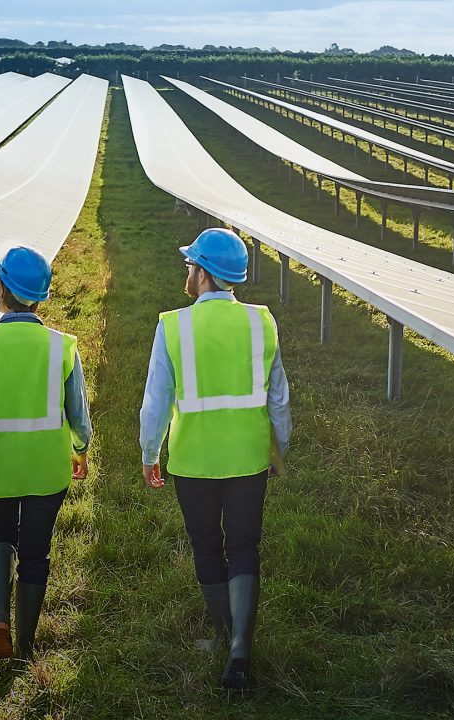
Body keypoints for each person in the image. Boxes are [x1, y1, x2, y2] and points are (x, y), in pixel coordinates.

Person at [139, 228, 291, 690]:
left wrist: (150, 453)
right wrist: (277, 449)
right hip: (249, 458)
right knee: (245, 546)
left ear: (202, 274)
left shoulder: (172, 326)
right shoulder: (261, 322)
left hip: (194, 461)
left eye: (190, 266)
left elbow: (156, 402)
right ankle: (240, 650)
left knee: (206, 545)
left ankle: (225, 635)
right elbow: (279, 399)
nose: (186, 272)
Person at [0, 245, 92, 661]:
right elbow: (78, 413)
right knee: (36, 550)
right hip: (47, 468)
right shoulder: (62, 346)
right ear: (39, 297)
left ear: (0, 290)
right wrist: (80, 448)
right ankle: (25, 648)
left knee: (0, 534)